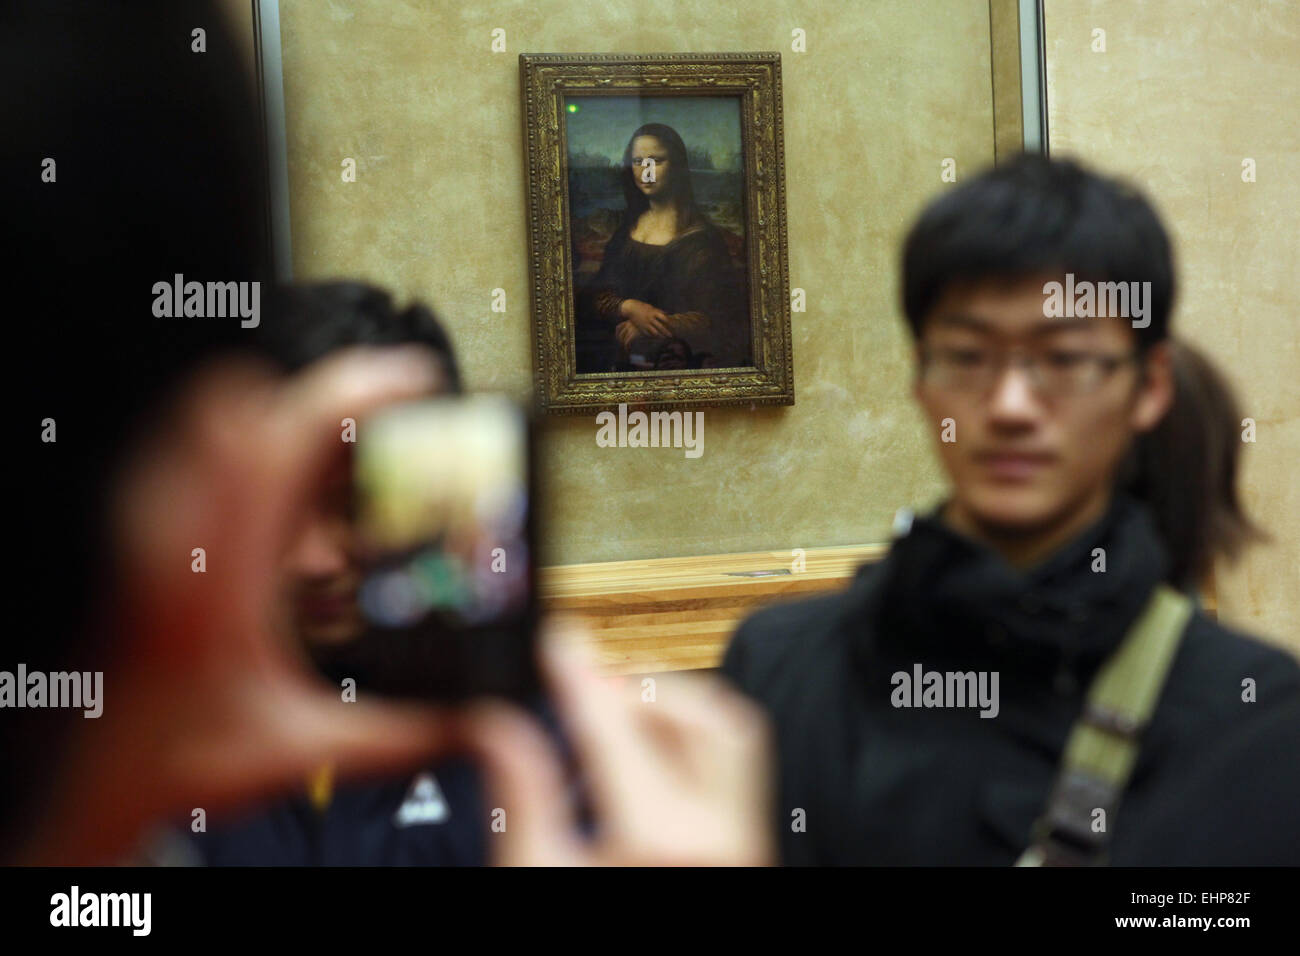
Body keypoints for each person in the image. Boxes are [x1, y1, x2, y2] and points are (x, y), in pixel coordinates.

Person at [4, 2, 774, 868]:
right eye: (293, 508)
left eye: (357, 503)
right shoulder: (145, 758)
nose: (320, 561)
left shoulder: (558, 759)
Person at [721, 154, 1300, 866]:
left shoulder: (1254, 721)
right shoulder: (781, 673)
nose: (1009, 406)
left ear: (1149, 387)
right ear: (920, 380)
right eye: (967, 355)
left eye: (1063, 359)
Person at [576, 123, 750, 372]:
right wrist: (630, 307)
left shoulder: (703, 240)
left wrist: (650, 325)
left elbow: (719, 320)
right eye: (637, 161)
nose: (646, 172)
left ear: (677, 166)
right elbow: (594, 296)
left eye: (655, 160)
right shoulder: (628, 229)